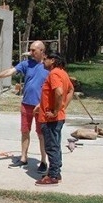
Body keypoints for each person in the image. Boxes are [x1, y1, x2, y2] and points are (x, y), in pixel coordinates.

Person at [0, 40, 49, 173]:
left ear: (42, 51)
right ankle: (23, 157)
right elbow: (10, 71)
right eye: (30, 50)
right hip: (26, 105)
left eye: (33, 50)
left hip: (41, 106)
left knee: (41, 134)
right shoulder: (26, 64)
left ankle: (43, 161)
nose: (31, 53)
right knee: (25, 131)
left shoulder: (48, 66)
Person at [35, 53, 74, 186]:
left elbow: (59, 92)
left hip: (51, 118)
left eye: (45, 59)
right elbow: (70, 90)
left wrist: (56, 110)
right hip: (56, 117)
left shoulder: (54, 74)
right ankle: (55, 172)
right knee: (55, 146)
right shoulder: (63, 73)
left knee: (51, 147)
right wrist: (62, 107)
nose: (43, 61)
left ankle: (52, 176)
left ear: (53, 60)